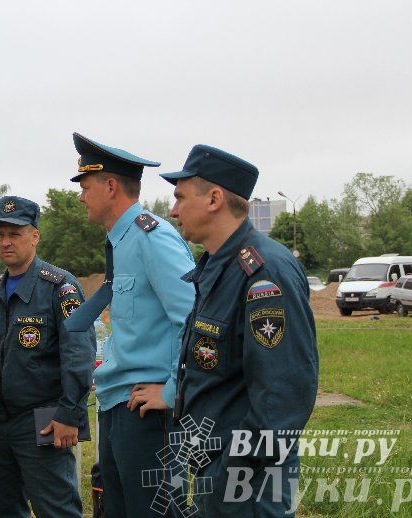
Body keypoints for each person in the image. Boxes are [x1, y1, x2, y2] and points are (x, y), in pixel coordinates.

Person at [162, 145, 319, 516]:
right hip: (215, 465)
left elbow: (283, 393)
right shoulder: (218, 267)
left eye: (180, 197)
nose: (173, 211)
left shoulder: (263, 272)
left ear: (214, 198)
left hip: (248, 478)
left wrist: (234, 469)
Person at [64, 133, 196, 517]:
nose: (80, 196)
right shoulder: (122, 241)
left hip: (147, 416)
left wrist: (172, 390)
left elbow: (192, 318)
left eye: (86, 187)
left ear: (110, 186)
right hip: (118, 405)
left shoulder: (151, 238)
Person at [0, 195, 96, 517]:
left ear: (35, 236)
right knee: (4, 508)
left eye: (15, 234)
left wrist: (70, 415)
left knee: (56, 508)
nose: (6, 242)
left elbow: (79, 355)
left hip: (42, 421)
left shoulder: (60, 287)